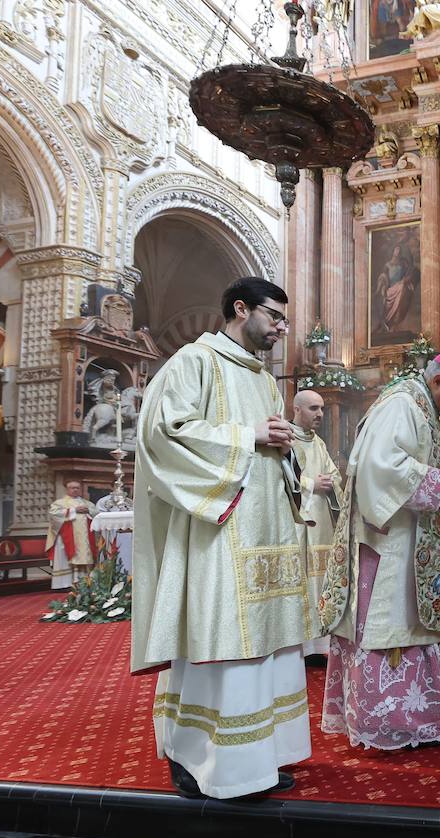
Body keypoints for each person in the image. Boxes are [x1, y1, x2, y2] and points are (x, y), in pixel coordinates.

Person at [131, 276, 312, 801]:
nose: (281, 329)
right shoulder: (195, 361)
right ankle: (196, 757)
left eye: (284, 320)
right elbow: (162, 432)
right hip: (221, 535)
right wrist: (249, 435)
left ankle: (260, 757)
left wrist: (283, 446)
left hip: (266, 536)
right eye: (274, 317)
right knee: (220, 645)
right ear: (240, 308)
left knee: (268, 646)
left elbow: (271, 448)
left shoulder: (260, 376)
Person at [319, 350, 440, 751]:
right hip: (390, 541)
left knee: (414, 619)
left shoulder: (424, 406)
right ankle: (392, 718)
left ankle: (420, 713)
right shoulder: (403, 404)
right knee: (393, 621)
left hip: (412, 538)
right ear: (438, 381)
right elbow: (380, 466)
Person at [289, 390, 342, 660]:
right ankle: (300, 647)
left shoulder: (318, 443)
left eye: (321, 408)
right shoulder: (285, 440)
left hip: (321, 524)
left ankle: (319, 646)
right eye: (313, 408)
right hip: (296, 522)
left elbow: (333, 474)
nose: (320, 414)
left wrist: (333, 481)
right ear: (296, 409)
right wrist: (311, 485)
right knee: (298, 583)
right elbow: (278, 477)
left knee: (320, 582)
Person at [46, 480, 100, 589]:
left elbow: (97, 514)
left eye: (77, 488)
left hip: (85, 539)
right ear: (67, 489)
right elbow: (53, 515)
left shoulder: (87, 503)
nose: (75, 490)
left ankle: (83, 582)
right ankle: (64, 584)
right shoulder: (59, 503)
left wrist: (89, 511)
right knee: (65, 558)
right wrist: (73, 511)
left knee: (84, 557)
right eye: (72, 488)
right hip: (66, 538)